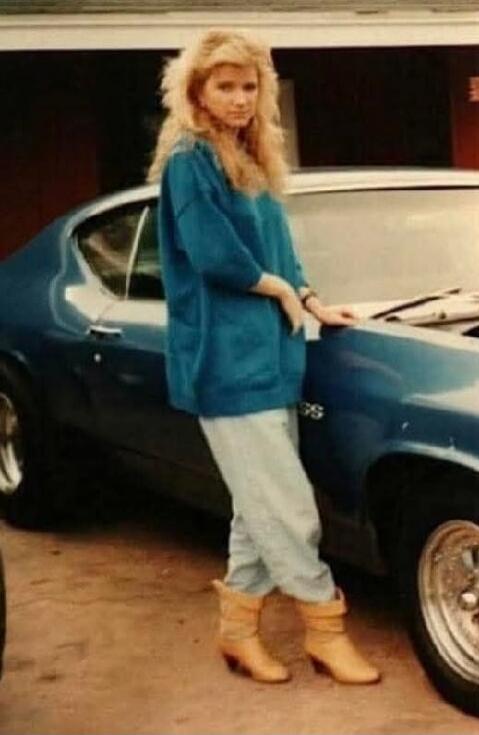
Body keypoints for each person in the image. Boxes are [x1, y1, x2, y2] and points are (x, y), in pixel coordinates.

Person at [147, 29, 380, 686]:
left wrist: (308, 296)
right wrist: (276, 288)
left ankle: (237, 633)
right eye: (224, 85)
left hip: (273, 356)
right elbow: (212, 254)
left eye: (249, 86)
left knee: (256, 505)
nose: (240, 98)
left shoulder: (251, 156)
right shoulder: (190, 160)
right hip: (223, 361)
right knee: (288, 506)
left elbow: (281, 249)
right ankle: (325, 631)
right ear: (195, 91)